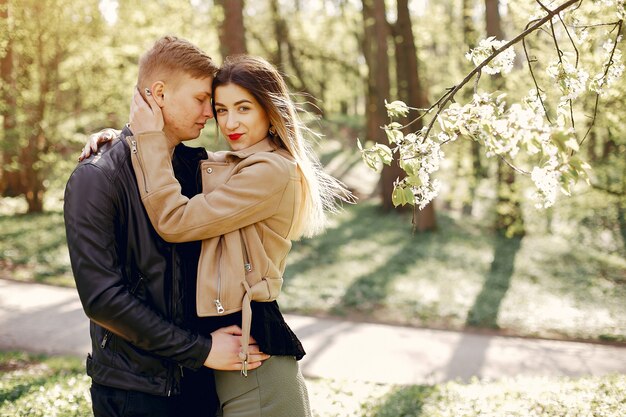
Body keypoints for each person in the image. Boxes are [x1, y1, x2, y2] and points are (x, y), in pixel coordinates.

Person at [124, 54, 353, 416]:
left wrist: (146, 138)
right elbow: (176, 162)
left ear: (269, 110)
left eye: (243, 108)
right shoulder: (236, 165)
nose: (230, 122)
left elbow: (175, 220)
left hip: (259, 375)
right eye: (221, 109)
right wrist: (124, 142)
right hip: (230, 362)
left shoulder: (270, 171)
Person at [64, 37, 268, 417]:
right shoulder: (97, 176)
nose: (210, 113)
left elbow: (266, 157)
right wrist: (200, 349)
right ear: (158, 93)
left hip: (205, 382)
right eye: (200, 99)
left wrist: (203, 355)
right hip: (135, 391)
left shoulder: (199, 168)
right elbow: (102, 299)